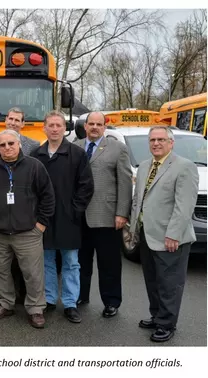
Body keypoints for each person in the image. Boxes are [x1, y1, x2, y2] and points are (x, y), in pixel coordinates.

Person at [0, 130, 55, 329]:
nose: (7, 148)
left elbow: (48, 196)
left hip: (28, 232)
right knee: (0, 271)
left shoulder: (34, 166)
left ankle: (36, 308)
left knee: (33, 273)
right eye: (2, 145)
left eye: (11, 143)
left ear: (19, 144)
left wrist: (41, 224)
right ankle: (5, 304)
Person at [129, 126, 198, 343]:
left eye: (161, 139)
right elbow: (139, 201)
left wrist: (174, 234)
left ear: (171, 142)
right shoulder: (144, 167)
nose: (156, 143)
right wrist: (133, 230)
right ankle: (157, 315)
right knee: (153, 281)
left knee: (169, 284)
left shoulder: (184, 167)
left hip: (170, 238)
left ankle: (167, 324)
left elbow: (184, 206)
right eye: (152, 140)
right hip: (148, 236)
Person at [30, 111, 94, 324]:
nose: (55, 129)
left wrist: (75, 210)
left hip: (69, 218)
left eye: (58, 125)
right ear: (44, 128)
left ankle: (70, 303)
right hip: (44, 218)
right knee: (46, 262)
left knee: (71, 263)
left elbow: (86, 187)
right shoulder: (36, 155)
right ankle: (48, 300)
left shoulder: (76, 154)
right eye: (51, 125)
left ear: (64, 128)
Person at [74, 112, 132, 317]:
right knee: (81, 261)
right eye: (91, 124)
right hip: (80, 216)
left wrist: (122, 213)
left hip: (107, 216)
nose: (95, 127)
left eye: (99, 124)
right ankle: (81, 295)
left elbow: (125, 183)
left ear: (104, 127)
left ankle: (111, 301)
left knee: (109, 263)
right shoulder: (76, 146)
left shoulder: (118, 149)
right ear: (85, 126)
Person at [0, 107, 39, 304]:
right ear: (5, 120)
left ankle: (30, 302)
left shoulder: (34, 147)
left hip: (26, 220)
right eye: (11, 119)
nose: (13, 122)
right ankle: (4, 300)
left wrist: (40, 223)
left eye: (18, 120)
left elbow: (42, 188)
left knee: (30, 267)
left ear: (23, 124)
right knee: (0, 265)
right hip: (0, 220)